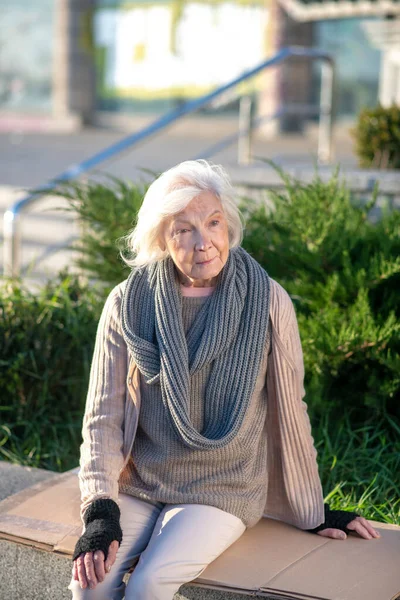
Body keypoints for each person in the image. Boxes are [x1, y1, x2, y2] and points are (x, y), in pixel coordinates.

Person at [68, 160, 380, 600]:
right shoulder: (127, 302)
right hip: (141, 482)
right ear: (161, 239)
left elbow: (291, 411)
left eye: (213, 222)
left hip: (223, 488)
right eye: (184, 229)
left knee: (148, 584)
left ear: (228, 225)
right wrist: (100, 512)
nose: (204, 242)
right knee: (88, 586)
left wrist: (312, 509)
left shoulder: (268, 300)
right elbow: (102, 417)